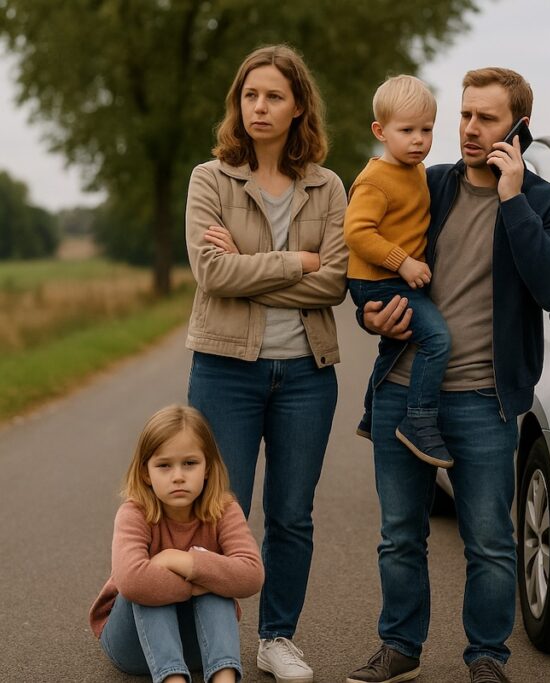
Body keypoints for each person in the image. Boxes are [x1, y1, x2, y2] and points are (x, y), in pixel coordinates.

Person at [347, 67, 550, 683]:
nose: (470, 130)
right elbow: (368, 253)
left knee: (490, 543)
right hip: (401, 390)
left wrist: (512, 198)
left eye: (488, 118)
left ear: (519, 128)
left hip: (484, 402)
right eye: (465, 115)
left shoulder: (548, 203)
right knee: (400, 536)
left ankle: (486, 658)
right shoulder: (430, 184)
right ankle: (399, 647)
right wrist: (370, 312)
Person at [184, 44, 348, 683]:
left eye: (274, 95)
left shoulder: (327, 185)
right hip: (225, 367)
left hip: (308, 373)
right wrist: (294, 262)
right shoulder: (210, 178)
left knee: (291, 515)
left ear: (298, 105)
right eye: (250, 95)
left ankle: (277, 639)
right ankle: (214, 639)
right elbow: (211, 272)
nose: (260, 106)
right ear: (238, 103)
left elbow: (332, 283)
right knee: (219, 510)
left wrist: (252, 270)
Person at [89, 405, 264, 683]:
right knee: (152, 586)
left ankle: (224, 676)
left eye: (190, 463)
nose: (178, 476)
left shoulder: (223, 509)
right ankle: (172, 679)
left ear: (207, 467)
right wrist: (203, 579)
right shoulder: (134, 512)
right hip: (132, 647)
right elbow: (133, 582)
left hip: (198, 647)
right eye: (164, 465)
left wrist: (176, 559)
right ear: (146, 472)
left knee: (209, 577)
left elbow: (252, 576)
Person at [345, 74, 454, 468]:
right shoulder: (375, 180)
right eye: (406, 130)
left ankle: (373, 415)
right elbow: (357, 233)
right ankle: (419, 420)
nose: (418, 139)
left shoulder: (418, 172)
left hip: (392, 278)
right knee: (437, 339)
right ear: (381, 131)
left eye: (426, 130)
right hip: (376, 279)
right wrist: (403, 262)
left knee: (396, 345)